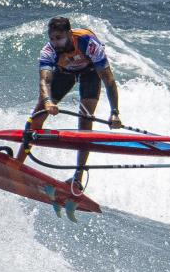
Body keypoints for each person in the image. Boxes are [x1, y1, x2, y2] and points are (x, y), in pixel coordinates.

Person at [17, 16, 122, 190]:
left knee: (85, 119)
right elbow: (44, 81)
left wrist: (115, 112)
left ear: (69, 34)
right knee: (38, 113)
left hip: (90, 73)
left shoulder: (89, 44)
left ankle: (77, 179)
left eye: (59, 38)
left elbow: (108, 80)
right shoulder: (49, 50)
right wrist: (48, 101)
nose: (55, 42)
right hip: (65, 73)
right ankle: (16, 164)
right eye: (51, 38)